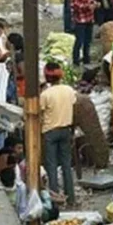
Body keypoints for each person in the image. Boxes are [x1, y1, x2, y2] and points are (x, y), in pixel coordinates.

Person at [40, 62, 77, 205]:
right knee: (66, 165)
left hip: (50, 132)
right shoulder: (69, 90)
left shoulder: (45, 94)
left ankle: (54, 199)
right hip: (66, 130)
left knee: (52, 166)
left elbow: (39, 112)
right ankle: (71, 198)